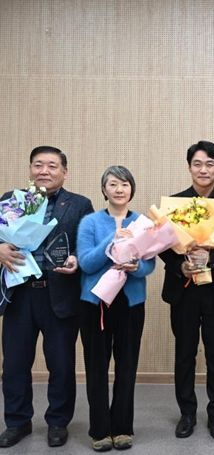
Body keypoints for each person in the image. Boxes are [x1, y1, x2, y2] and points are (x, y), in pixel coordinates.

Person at [0, 146, 94, 448]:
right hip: (19, 293)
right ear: (30, 170)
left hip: (60, 293)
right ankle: (17, 422)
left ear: (65, 172)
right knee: (14, 364)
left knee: (61, 364)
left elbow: (87, 242)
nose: (44, 171)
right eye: (38, 165)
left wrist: (77, 259)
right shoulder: (12, 200)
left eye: (52, 166)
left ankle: (58, 421)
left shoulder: (79, 204)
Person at [158, 141, 214, 440]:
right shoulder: (173, 205)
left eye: (209, 164)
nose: (203, 170)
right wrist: (180, 265)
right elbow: (161, 245)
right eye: (197, 164)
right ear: (189, 167)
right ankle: (187, 413)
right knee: (184, 354)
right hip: (184, 290)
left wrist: (212, 257)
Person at [77, 166, 155, 451]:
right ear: (104, 189)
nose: (119, 189)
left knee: (127, 366)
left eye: (124, 184)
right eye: (113, 184)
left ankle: (122, 428)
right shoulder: (90, 222)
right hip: (95, 303)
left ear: (131, 189)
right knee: (96, 367)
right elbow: (86, 263)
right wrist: (113, 240)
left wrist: (136, 267)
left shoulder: (143, 222)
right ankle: (99, 430)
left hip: (130, 303)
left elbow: (149, 265)